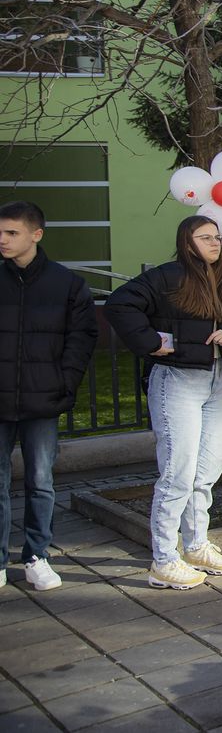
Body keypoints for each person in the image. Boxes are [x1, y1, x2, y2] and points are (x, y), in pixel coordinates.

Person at [106, 215, 222, 589]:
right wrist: (153, 343)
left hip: (213, 380)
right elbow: (120, 305)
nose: (214, 243)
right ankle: (164, 559)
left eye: (217, 237)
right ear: (187, 242)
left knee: (206, 472)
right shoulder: (166, 278)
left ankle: (196, 545)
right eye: (205, 237)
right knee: (177, 473)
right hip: (175, 381)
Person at [0, 201, 97, 591]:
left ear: (36, 235)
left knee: (41, 481)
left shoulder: (66, 283)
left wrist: (65, 382)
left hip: (44, 400)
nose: (3, 240)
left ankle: (36, 556)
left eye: (12, 233)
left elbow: (83, 336)